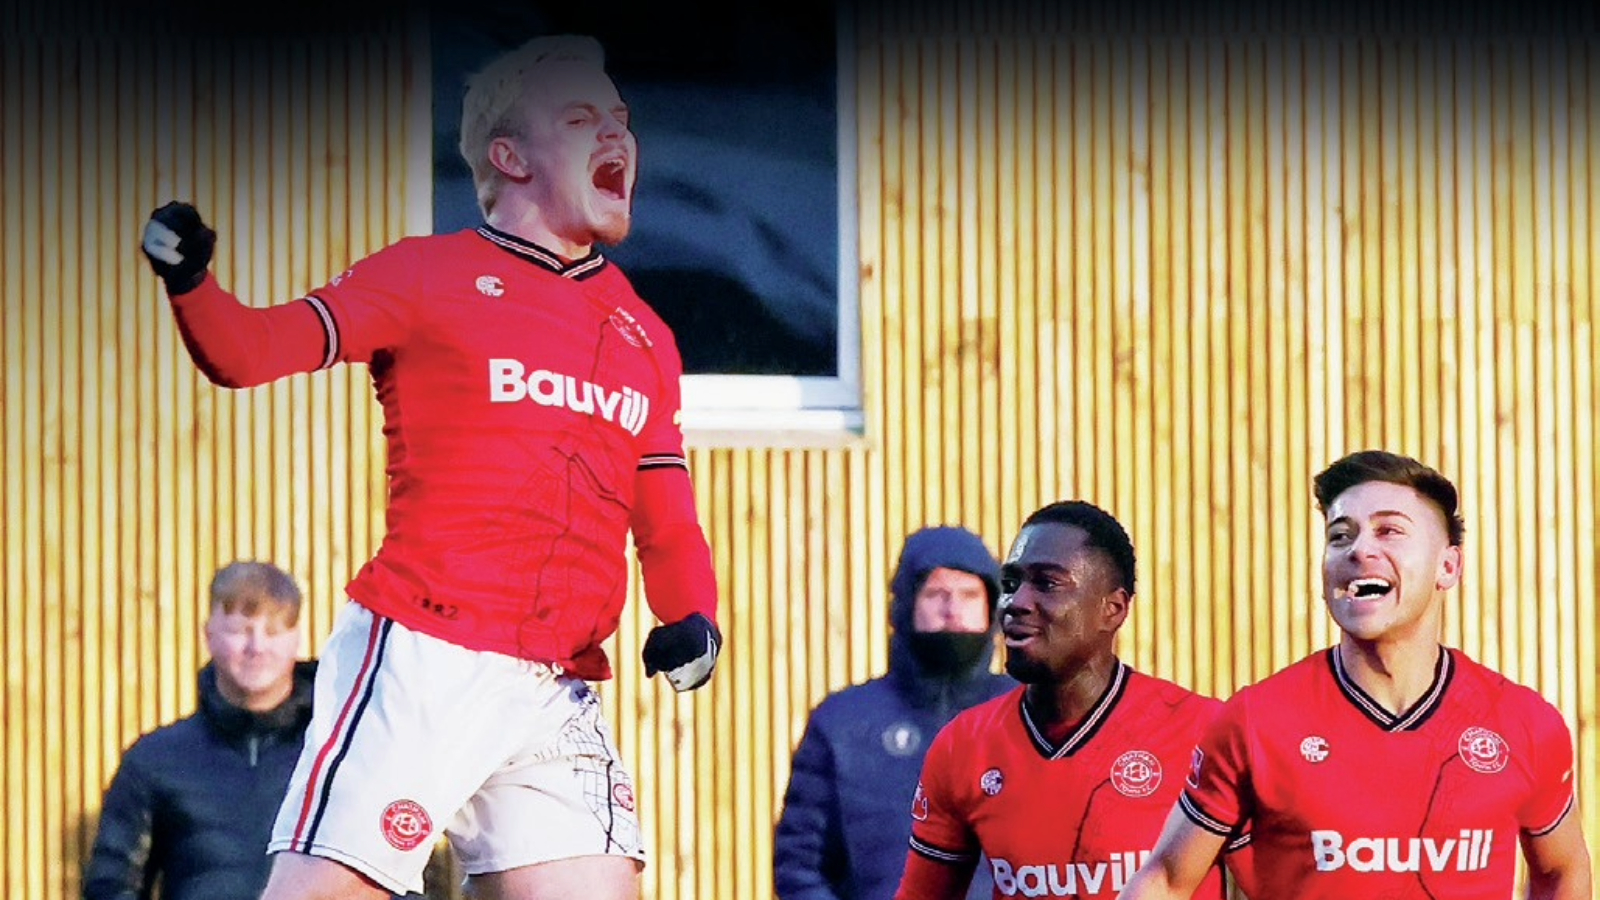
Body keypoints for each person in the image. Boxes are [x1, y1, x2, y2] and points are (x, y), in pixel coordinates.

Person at [137, 34, 722, 900]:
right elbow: (252, 349)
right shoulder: (426, 274)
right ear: (508, 154)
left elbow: (666, 516)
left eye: (622, 120)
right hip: (425, 656)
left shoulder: (644, 333)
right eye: (580, 117)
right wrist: (192, 283)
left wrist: (693, 615)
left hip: (558, 682)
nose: (617, 137)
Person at [1118, 450, 1594, 900]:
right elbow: (1166, 878)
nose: (1359, 549)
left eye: (1389, 532)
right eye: (1340, 535)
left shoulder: (1524, 722)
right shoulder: (1255, 721)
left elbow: (1562, 870)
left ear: (1448, 566)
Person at [894, 501, 1239, 900]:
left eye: (1047, 583)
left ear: (1113, 609)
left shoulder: (1204, 730)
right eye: (1010, 584)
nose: (1015, 603)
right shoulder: (964, 746)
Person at [774, 526, 1014, 900]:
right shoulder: (843, 724)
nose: (952, 609)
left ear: (993, 608)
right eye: (937, 593)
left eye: (969, 595)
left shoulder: (1036, 717)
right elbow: (799, 865)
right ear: (905, 606)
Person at [83, 562, 315, 900]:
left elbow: (403, 877)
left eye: (274, 631)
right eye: (240, 630)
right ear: (208, 635)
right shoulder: (154, 762)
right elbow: (111, 887)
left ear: (296, 639)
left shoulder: (338, 757)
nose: (257, 646)